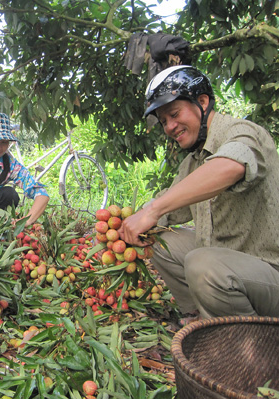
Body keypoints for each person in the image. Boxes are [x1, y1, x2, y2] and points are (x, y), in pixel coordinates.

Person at [118, 65, 279, 324]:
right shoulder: (194, 161)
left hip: (270, 275)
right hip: (229, 267)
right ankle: (198, 319)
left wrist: (152, 211)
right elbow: (167, 207)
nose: (170, 127)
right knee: (157, 240)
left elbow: (230, 165)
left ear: (202, 102)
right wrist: (122, 228)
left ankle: (251, 340)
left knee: (202, 264)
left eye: (174, 114)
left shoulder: (242, 131)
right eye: (163, 122)